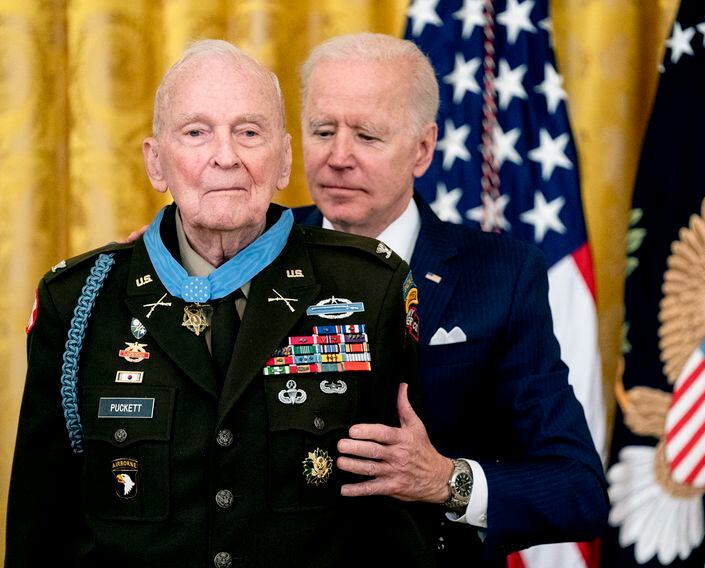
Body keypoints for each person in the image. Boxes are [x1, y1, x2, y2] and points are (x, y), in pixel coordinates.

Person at [6, 39, 434, 567]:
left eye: (249, 133)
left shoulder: (372, 289)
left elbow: (397, 524)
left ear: (283, 160)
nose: (225, 156)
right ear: (156, 162)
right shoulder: (77, 302)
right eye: (196, 132)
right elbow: (40, 527)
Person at [295, 33, 609, 566]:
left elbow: (577, 488)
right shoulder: (251, 250)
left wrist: (446, 480)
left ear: (423, 148)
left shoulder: (503, 276)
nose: (338, 156)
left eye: (368, 136)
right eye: (322, 131)